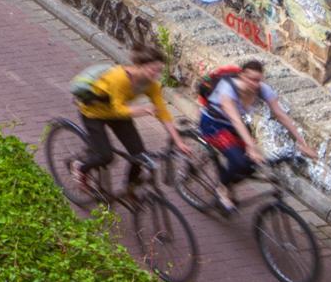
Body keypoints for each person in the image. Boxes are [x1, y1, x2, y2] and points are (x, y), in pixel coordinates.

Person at [70, 41, 192, 195]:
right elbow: (118, 108)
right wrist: (142, 109)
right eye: (152, 70)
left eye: (159, 71)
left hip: (118, 115)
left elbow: (163, 112)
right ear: (139, 65)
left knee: (140, 156)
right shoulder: (119, 78)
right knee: (105, 156)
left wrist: (178, 141)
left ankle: (129, 189)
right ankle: (80, 166)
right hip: (94, 113)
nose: (156, 75)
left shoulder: (151, 85)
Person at [196, 58, 307, 213]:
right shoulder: (227, 88)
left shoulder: (262, 89)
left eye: (258, 80)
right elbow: (235, 118)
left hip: (232, 126)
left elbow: (280, 114)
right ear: (241, 76)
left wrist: (302, 142)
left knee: (252, 165)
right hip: (213, 123)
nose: (255, 84)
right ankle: (221, 189)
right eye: (251, 79)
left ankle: (227, 183)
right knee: (240, 161)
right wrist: (251, 145)